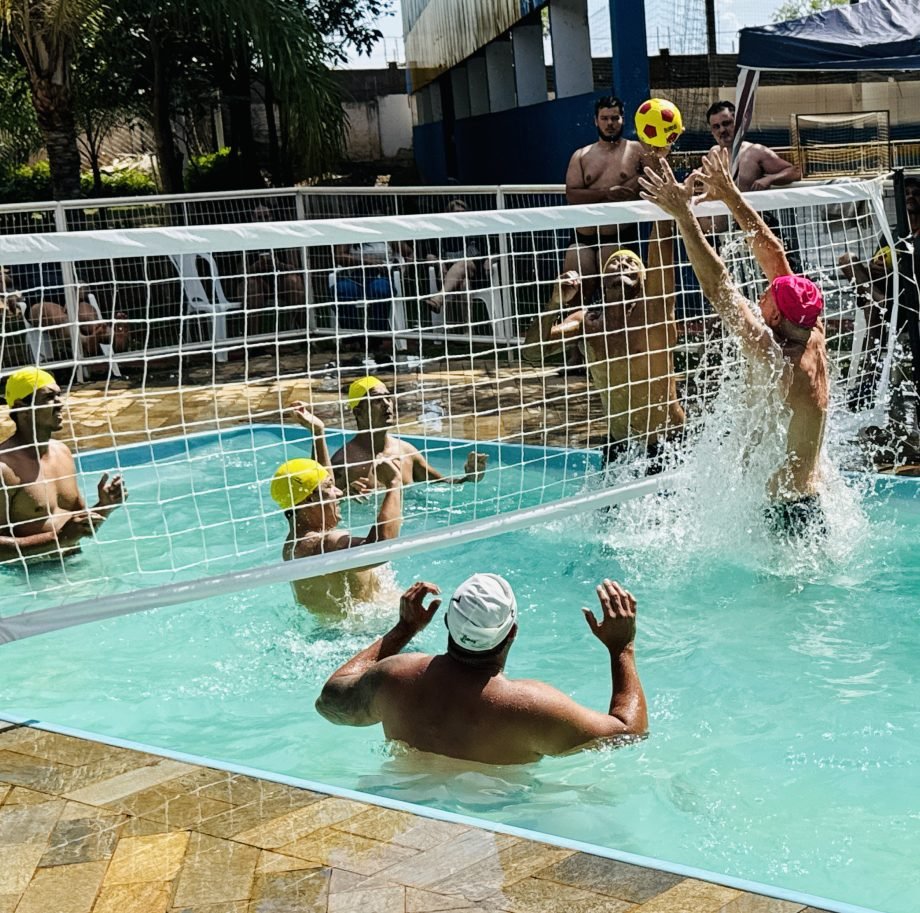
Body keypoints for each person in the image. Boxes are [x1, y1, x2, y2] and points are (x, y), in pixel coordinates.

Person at [639, 148, 828, 536]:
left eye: (766, 297)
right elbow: (773, 254)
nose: (761, 294)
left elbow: (718, 288)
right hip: (807, 503)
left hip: (787, 519)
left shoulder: (778, 359)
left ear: (774, 317)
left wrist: (684, 216)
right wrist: (729, 194)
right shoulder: (811, 326)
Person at [315, 575, 647, 765]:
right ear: (512, 632)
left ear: (447, 621)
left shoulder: (395, 677)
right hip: (496, 819)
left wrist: (403, 629)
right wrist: (622, 648)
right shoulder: (530, 708)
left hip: (403, 804)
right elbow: (629, 733)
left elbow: (329, 701)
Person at [523, 221, 685, 472]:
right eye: (615, 261)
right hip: (618, 446)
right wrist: (555, 303)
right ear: (602, 279)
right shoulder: (587, 322)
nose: (623, 263)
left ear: (644, 279)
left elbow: (662, 240)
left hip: (666, 443)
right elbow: (532, 353)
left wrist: (661, 212)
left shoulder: (655, 312)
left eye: (631, 262)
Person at [271, 401, 404, 614]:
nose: (340, 493)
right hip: (371, 628)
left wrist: (318, 433)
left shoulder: (298, 540)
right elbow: (380, 548)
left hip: (347, 625)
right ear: (309, 501)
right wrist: (394, 485)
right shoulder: (326, 543)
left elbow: (318, 484)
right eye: (330, 487)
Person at [0, 368, 127, 562]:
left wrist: (105, 506)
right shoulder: (4, 468)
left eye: (59, 395)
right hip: (30, 575)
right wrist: (59, 539)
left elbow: (80, 524)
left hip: (76, 563)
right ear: (21, 407)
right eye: (49, 397)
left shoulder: (62, 452)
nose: (60, 403)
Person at [563, 96, 667, 308]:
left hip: (619, 236)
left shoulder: (637, 149)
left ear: (622, 119)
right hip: (583, 238)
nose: (609, 123)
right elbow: (572, 194)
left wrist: (638, 179)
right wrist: (607, 193)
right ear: (596, 121)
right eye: (604, 118)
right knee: (574, 295)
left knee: (619, 299)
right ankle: (576, 330)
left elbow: (658, 177)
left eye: (614, 118)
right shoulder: (582, 155)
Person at [330, 376, 488, 496]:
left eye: (388, 397)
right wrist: (345, 497)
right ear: (358, 412)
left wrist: (470, 477)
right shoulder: (342, 463)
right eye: (377, 400)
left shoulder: (406, 452)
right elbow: (322, 510)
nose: (386, 404)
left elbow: (445, 486)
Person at [706, 101, 800, 193]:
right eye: (716, 126)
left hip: (743, 203)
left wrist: (769, 179)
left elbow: (795, 172)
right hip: (714, 204)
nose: (722, 130)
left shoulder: (754, 152)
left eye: (726, 123)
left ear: (737, 123)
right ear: (712, 131)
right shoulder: (713, 153)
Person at [243, 202, 307, 334]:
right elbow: (239, 272)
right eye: (259, 218)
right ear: (252, 219)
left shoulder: (284, 236)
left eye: (266, 217)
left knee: (294, 281)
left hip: (281, 281)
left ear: (272, 217)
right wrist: (256, 266)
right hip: (258, 282)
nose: (263, 221)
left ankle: (303, 334)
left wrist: (277, 265)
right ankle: (253, 340)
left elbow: (295, 268)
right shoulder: (244, 237)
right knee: (251, 286)